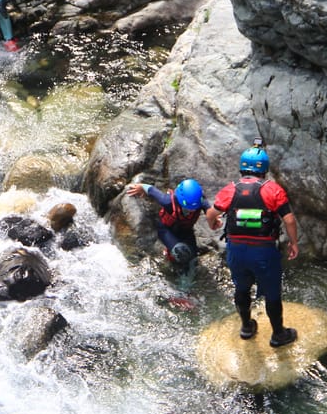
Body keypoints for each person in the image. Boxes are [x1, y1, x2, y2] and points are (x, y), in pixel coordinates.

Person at [205, 139, 300, 347]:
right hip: (264, 251)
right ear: (264, 170)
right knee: (272, 291)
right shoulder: (273, 190)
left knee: (241, 287)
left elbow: (211, 213)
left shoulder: (230, 189)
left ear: (242, 168)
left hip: (236, 251)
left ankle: (247, 327)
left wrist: (214, 224)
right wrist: (294, 243)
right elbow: (289, 220)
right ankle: (278, 334)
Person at [126, 178, 210, 271]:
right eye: (189, 208)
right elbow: (151, 190)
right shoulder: (168, 201)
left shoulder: (199, 199)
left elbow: (207, 207)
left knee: (193, 259)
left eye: (194, 207)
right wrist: (141, 187)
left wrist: (213, 217)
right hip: (166, 230)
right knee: (181, 253)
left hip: (186, 231)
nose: (193, 210)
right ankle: (170, 256)